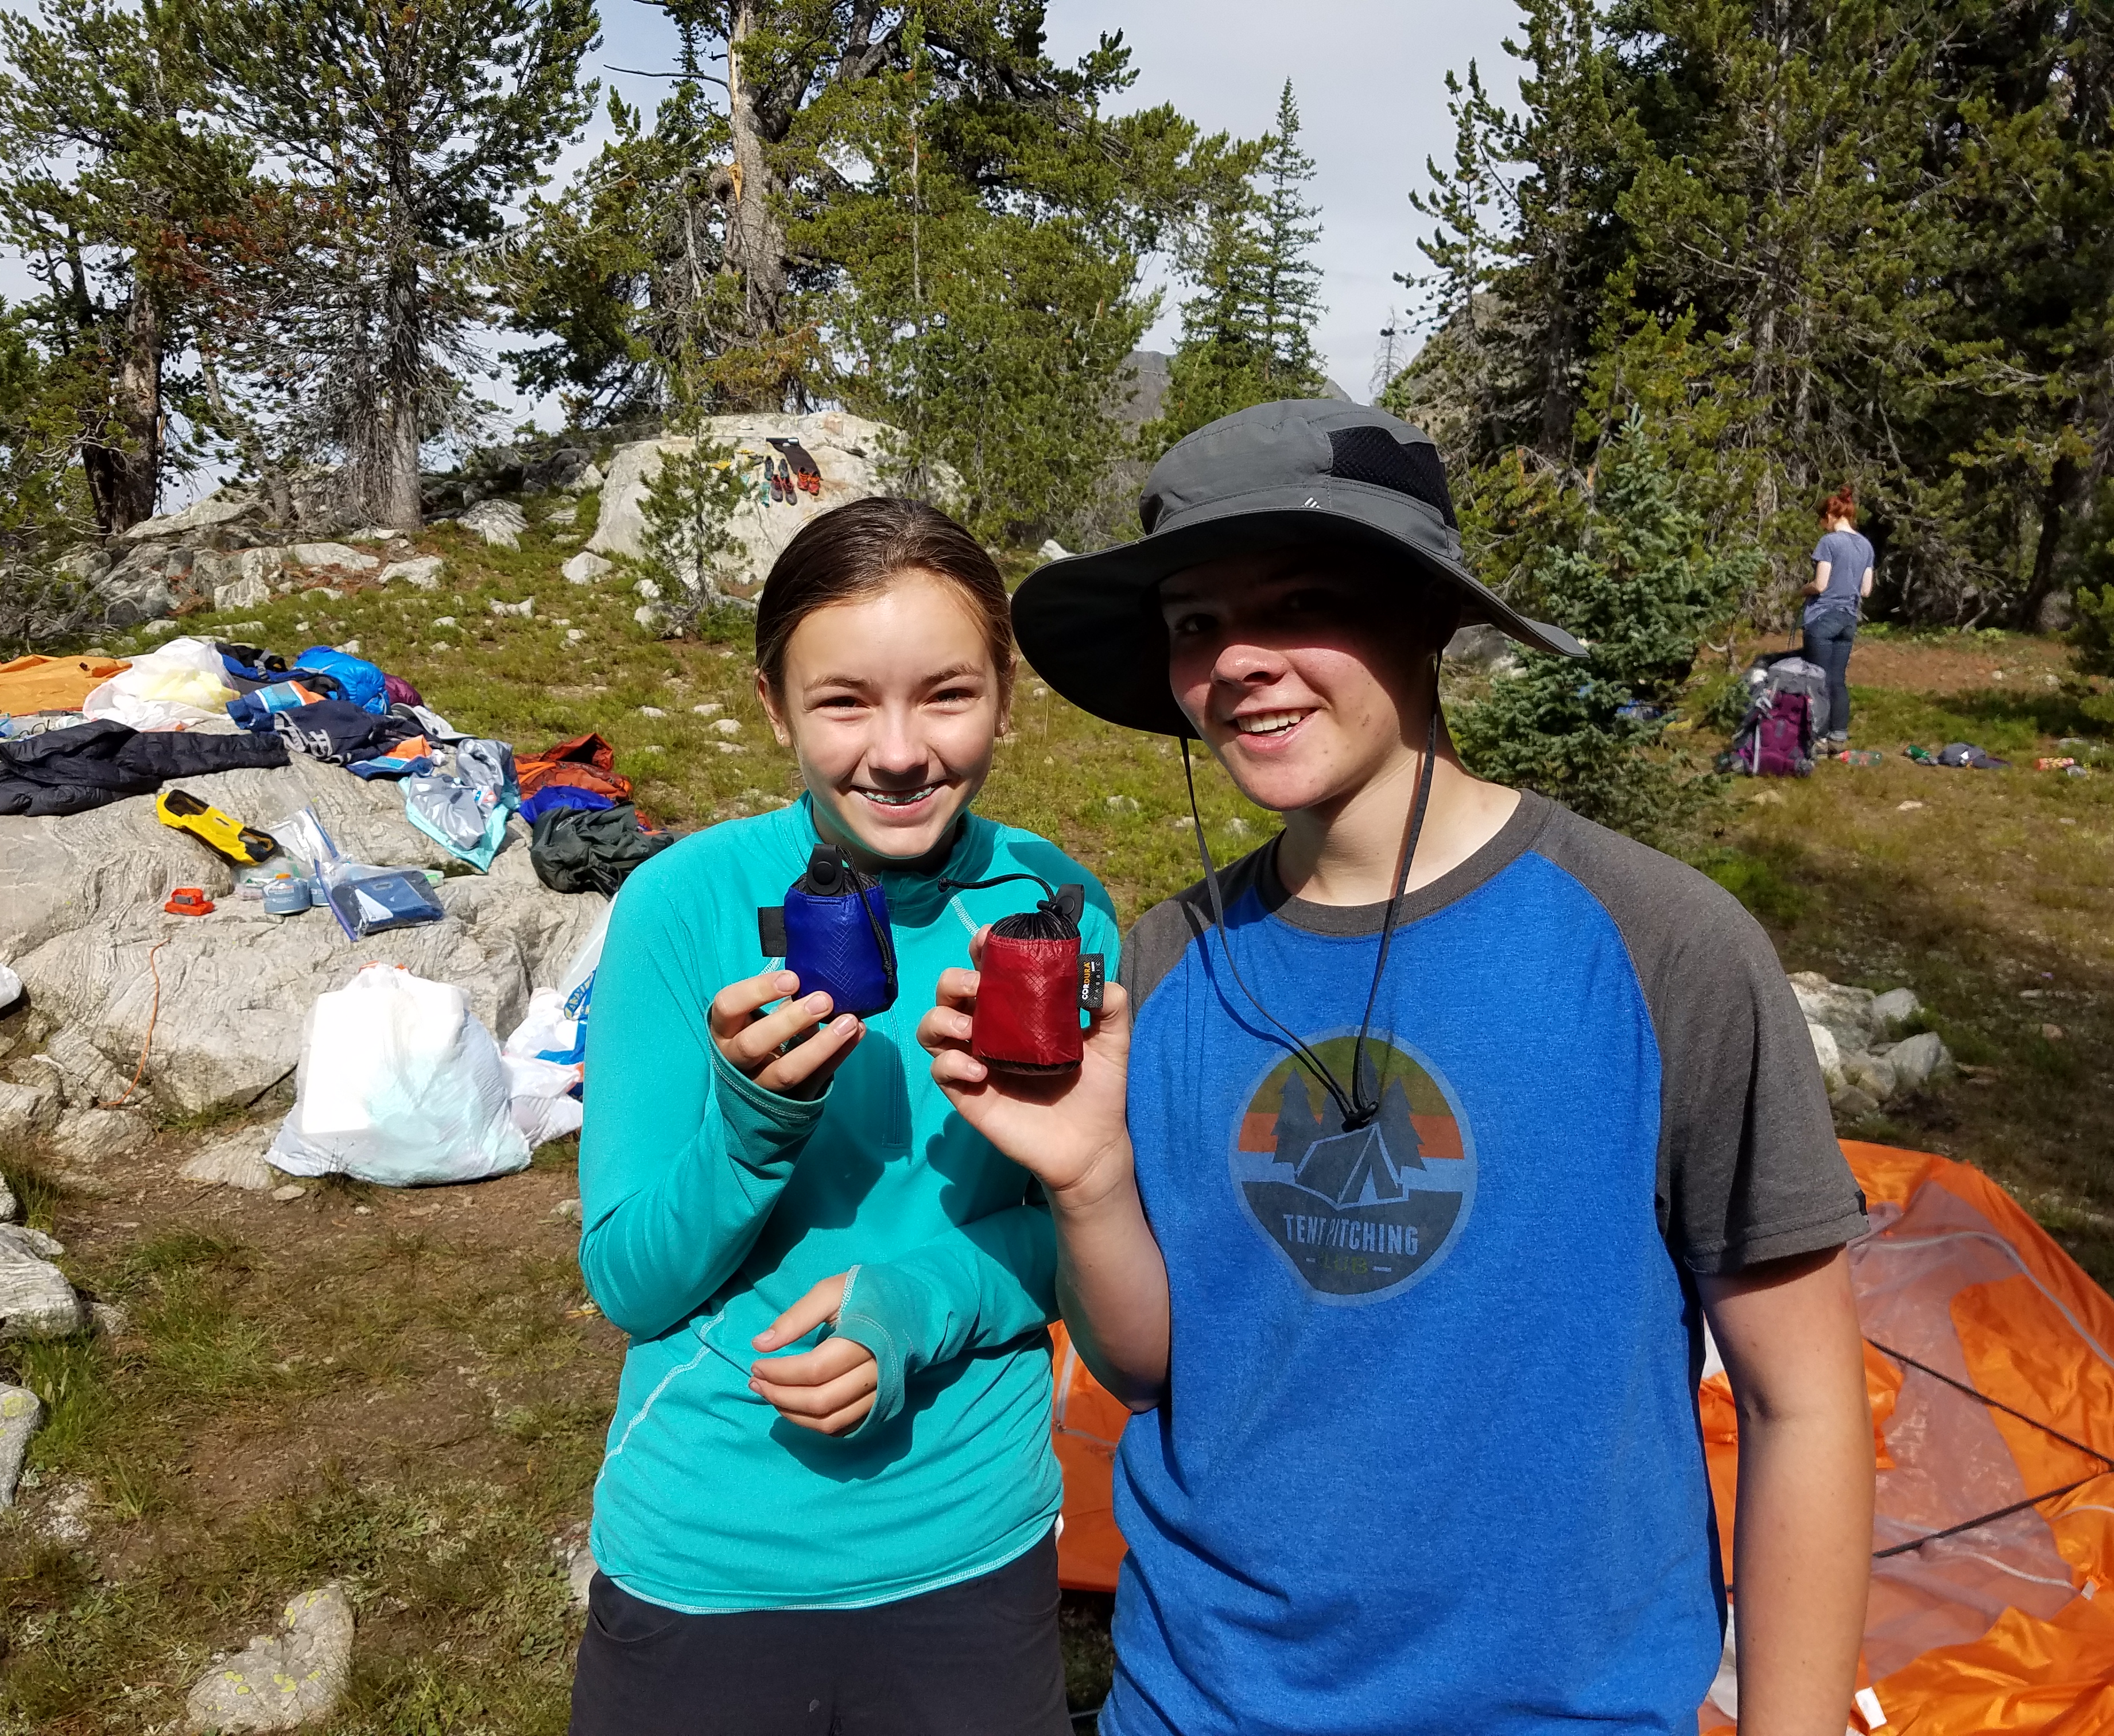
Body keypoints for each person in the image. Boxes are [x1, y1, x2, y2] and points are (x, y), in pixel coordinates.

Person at [920, 401, 1875, 1736]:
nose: (1241, 662)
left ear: (1425, 617)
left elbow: (1806, 1400)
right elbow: (1149, 1369)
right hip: (1199, 1702)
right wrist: (1087, 1183)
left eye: (1301, 600)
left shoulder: (1661, 947)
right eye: (1195, 623)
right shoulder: (1169, 959)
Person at [571, 497, 1118, 1736]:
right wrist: (753, 1126)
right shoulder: (684, 904)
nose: (900, 751)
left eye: (946, 694)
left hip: (970, 1536)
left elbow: (1083, 1228)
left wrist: (922, 1301)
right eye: (843, 703)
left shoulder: (1055, 908)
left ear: (1005, 695)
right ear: (775, 708)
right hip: (710, 1540)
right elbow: (631, 1283)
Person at [1804, 486, 1875, 746]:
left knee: (1816, 679)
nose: (1823, 526)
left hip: (1823, 616)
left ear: (1831, 516)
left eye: (1823, 520)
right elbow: (1866, 590)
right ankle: (1839, 735)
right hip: (1848, 618)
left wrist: (1803, 590)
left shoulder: (1829, 543)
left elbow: (1820, 585)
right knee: (1837, 679)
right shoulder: (1866, 546)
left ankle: (1817, 736)